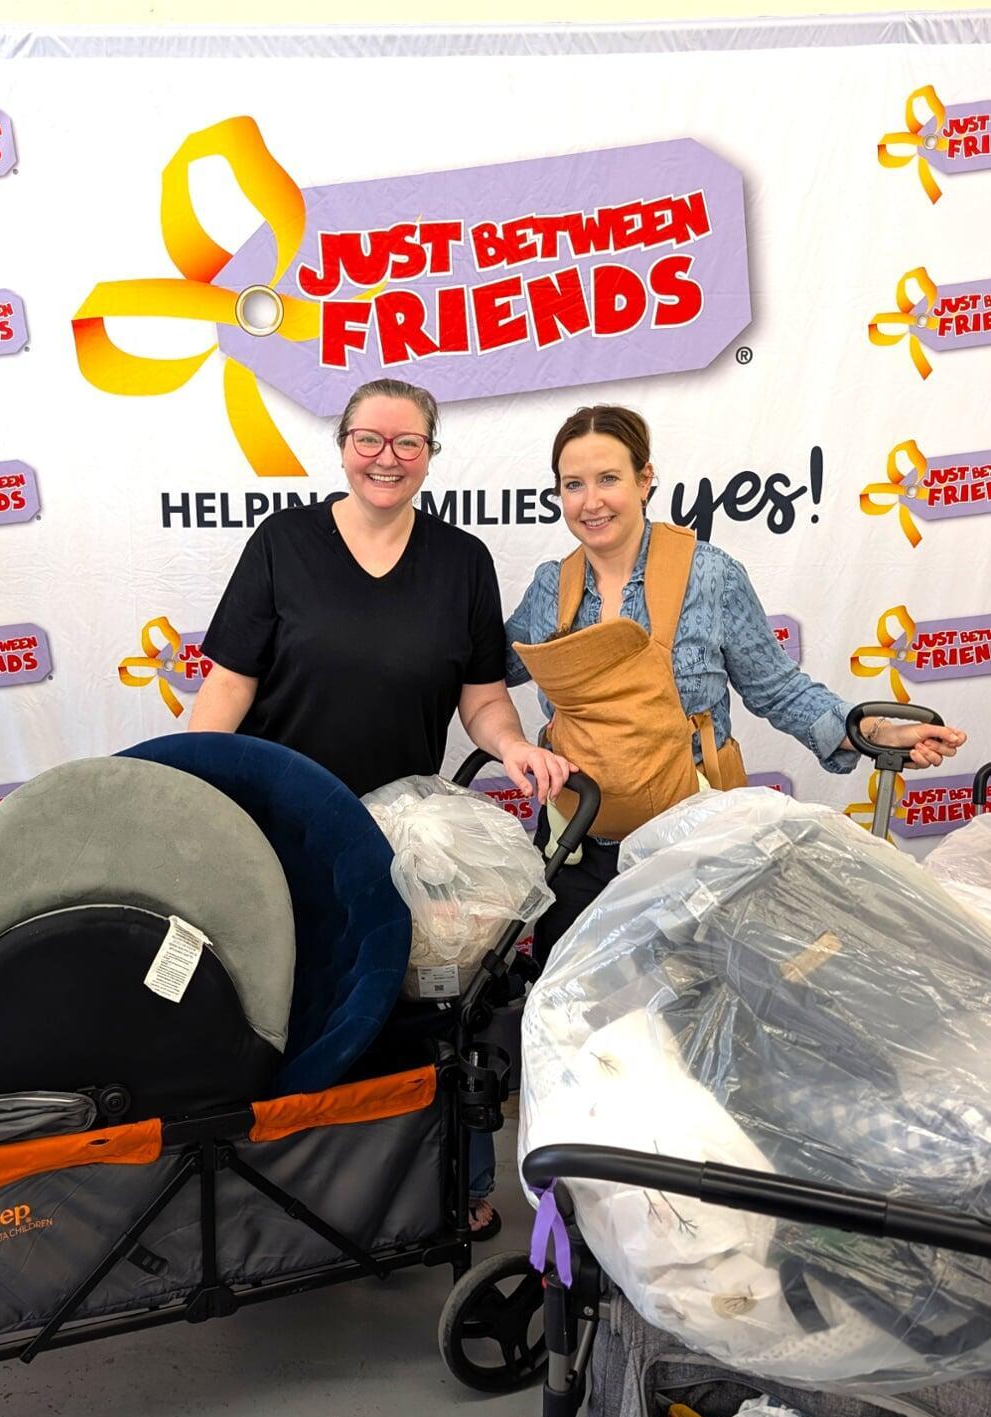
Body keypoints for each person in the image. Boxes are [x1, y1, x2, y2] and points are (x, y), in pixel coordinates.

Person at [192, 378, 568, 1237]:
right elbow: (228, 684)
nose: (386, 459)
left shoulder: (462, 561)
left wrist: (511, 746)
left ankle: (442, 1189)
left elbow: (481, 698)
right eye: (370, 440)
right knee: (288, 1010)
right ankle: (289, 1199)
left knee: (417, 1013)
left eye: (407, 444)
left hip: (398, 837)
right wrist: (187, 786)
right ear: (343, 445)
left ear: (431, 453)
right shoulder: (284, 544)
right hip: (277, 823)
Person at [506, 403, 967, 973]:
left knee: (692, 1021)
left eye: (609, 479)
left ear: (645, 479)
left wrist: (871, 729)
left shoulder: (711, 576)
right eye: (573, 484)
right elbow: (486, 670)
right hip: (577, 849)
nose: (590, 501)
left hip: (695, 853)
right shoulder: (549, 586)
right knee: (570, 1021)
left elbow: (779, 689)